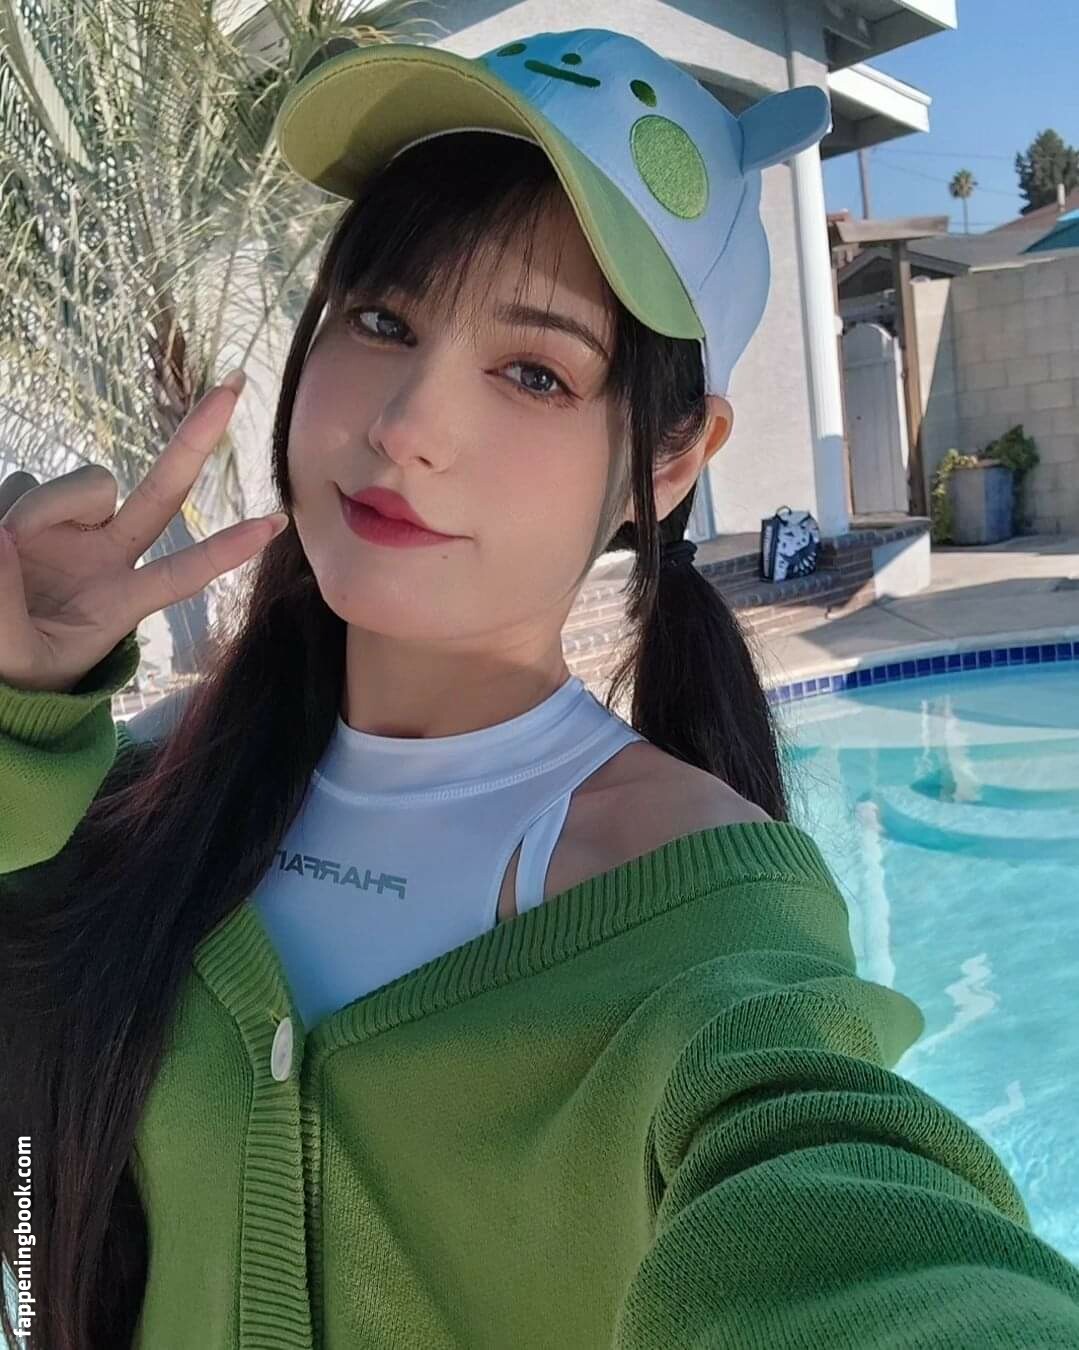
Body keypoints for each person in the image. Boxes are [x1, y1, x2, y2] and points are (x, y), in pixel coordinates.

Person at [1, 25, 1078, 1350]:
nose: (406, 424)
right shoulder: (142, 789)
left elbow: (847, 1221)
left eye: (534, 372)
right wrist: (18, 714)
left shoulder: (699, 911)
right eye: (382, 318)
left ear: (669, 461)